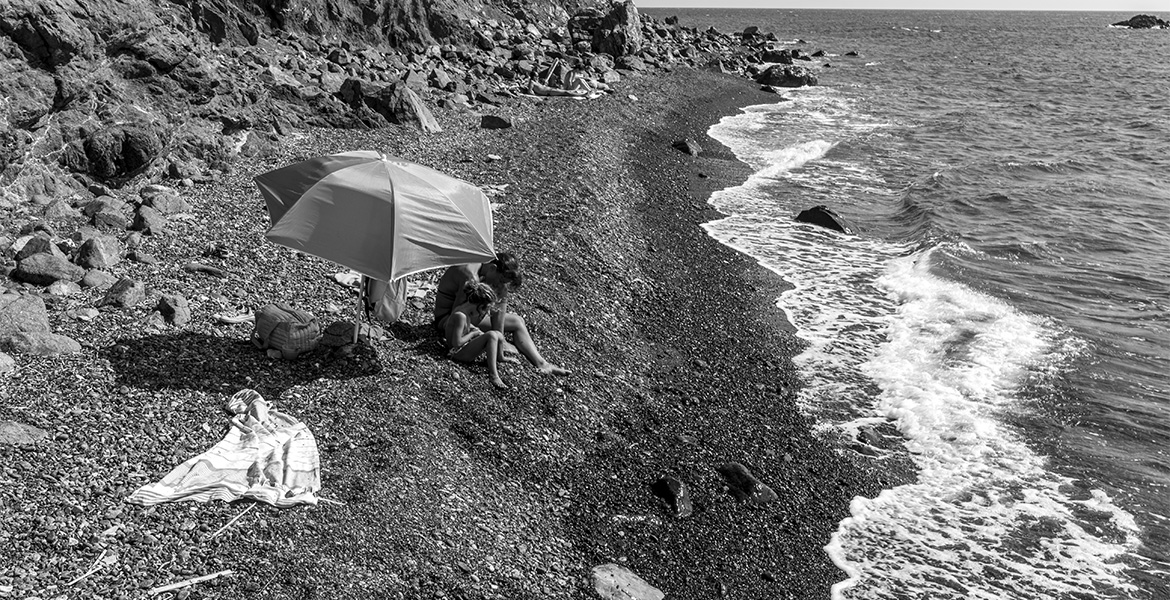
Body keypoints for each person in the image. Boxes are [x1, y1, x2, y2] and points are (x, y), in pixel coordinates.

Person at [434, 252, 570, 376]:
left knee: (517, 321)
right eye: (500, 280)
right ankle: (493, 350)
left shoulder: (490, 275)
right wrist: (475, 334)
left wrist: (500, 351)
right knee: (494, 310)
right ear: (492, 268)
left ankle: (542, 364)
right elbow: (457, 315)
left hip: (471, 316)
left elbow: (498, 321)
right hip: (447, 320)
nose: (500, 284)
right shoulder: (469, 275)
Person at [445, 282, 508, 390]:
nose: (483, 314)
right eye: (484, 309)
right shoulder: (460, 316)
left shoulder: (465, 312)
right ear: (479, 305)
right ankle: (493, 375)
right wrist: (473, 334)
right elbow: (457, 343)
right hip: (455, 353)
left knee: (498, 334)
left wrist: (474, 329)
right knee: (492, 335)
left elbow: (464, 328)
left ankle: (500, 357)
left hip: (463, 347)